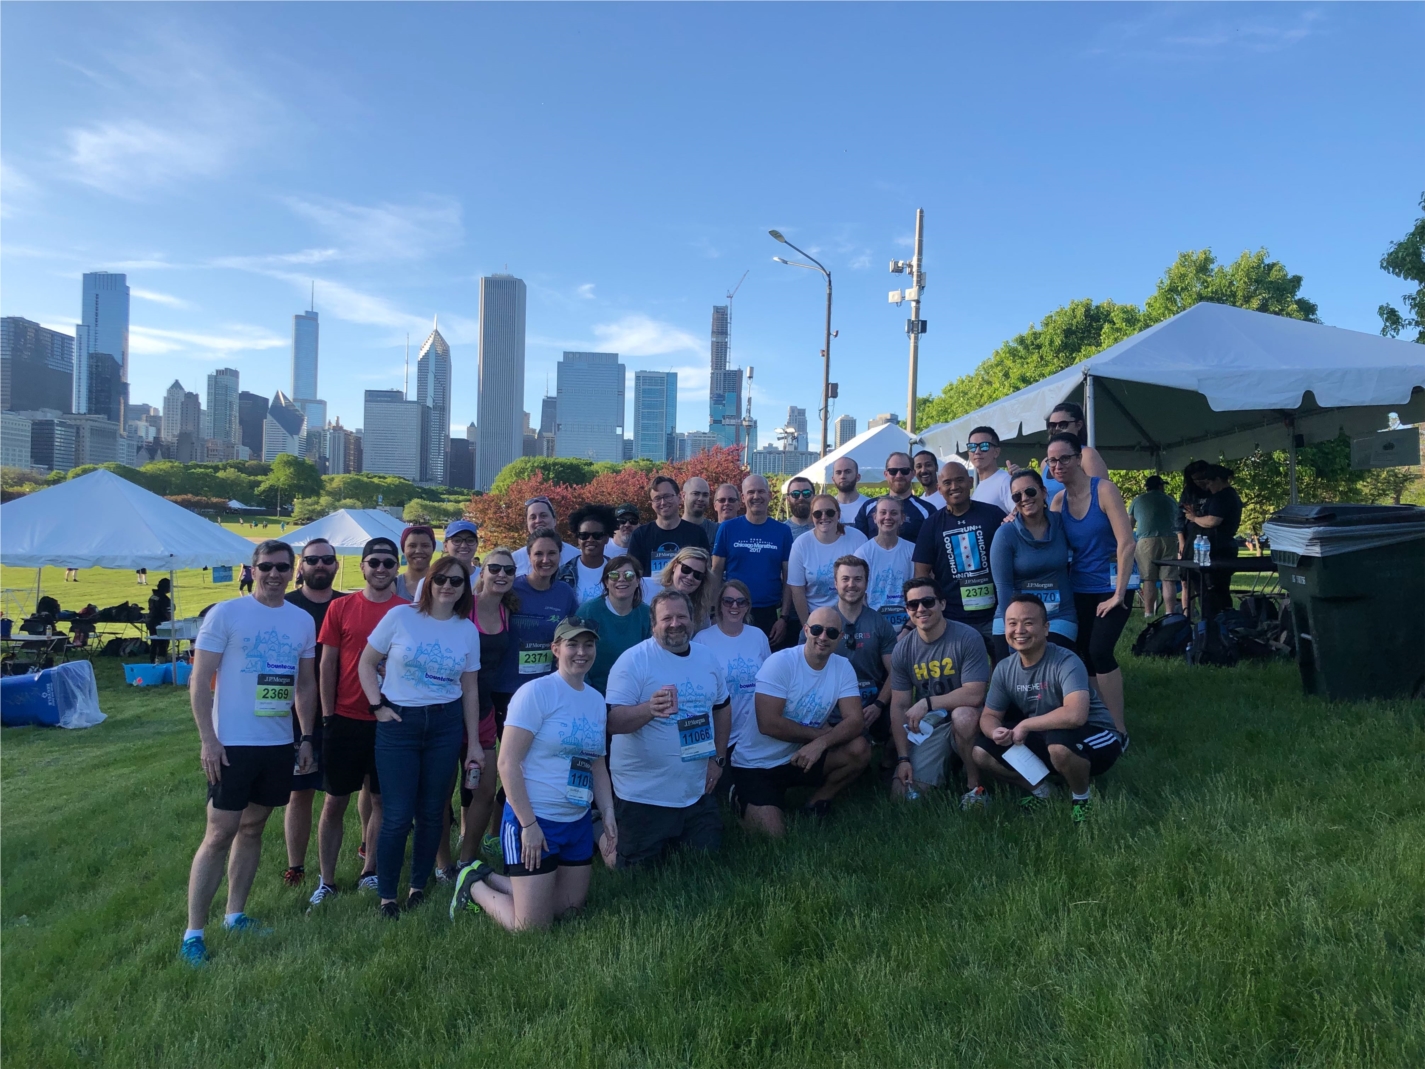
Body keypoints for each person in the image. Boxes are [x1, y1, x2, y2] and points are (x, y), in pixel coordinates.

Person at [180, 540, 318, 965]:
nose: (274, 574)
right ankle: (194, 933)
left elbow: (305, 685)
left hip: (277, 744)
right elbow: (200, 680)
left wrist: (306, 737)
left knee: (254, 829)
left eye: (281, 567)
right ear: (252, 569)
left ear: (292, 571)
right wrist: (208, 739)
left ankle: (235, 914)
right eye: (265, 567)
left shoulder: (302, 621)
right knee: (219, 833)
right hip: (232, 744)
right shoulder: (226, 613)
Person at [451, 617, 614, 930]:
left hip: (576, 820)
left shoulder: (595, 700)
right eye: (572, 644)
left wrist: (607, 812)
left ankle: (493, 877)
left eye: (588, 644)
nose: (581, 652)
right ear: (555, 649)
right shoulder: (536, 693)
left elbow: (596, 764)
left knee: (567, 910)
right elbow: (507, 763)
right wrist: (529, 824)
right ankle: (472, 884)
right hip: (536, 818)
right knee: (531, 928)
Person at [359, 556, 482, 918]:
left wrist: (473, 741)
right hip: (400, 724)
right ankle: (387, 894)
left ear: (464, 588)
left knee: (432, 812)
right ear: (429, 581)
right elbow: (366, 662)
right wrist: (376, 706)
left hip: (445, 725)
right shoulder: (402, 617)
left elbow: (470, 689)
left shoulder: (466, 630)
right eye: (440, 578)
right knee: (397, 814)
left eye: (456, 581)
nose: (447, 586)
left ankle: (417, 886)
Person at [308, 538, 407, 907]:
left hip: (392, 718)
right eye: (374, 562)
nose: (381, 569)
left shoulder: (407, 610)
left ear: (396, 568)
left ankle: (371, 871)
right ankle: (327, 880)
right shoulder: (341, 607)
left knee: (381, 800)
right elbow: (327, 664)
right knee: (335, 802)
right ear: (362, 567)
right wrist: (328, 714)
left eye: (387, 563)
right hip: (346, 717)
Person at [603, 590, 731, 866]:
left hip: (694, 790)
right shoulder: (634, 661)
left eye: (681, 616)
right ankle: (600, 832)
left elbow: (722, 707)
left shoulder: (707, 658)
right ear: (653, 624)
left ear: (693, 619)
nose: (676, 624)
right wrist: (649, 709)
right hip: (644, 794)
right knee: (638, 875)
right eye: (667, 618)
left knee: (704, 864)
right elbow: (613, 722)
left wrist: (718, 759)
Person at [972, 594, 1123, 822]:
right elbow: (990, 715)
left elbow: (1076, 715)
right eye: (1012, 623)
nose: (1019, 630)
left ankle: (1081, 799)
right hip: (1047, 735)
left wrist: (1025, 724)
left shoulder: (1067, 661)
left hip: (1098, 735)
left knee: (1059, 744)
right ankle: (1042, 792)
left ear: (1046, 628)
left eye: (1028, 623)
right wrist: (995, 731)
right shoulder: (1004, 668)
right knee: (981, 751)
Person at [732, 606, 871, 835]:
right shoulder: (781, 663)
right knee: (774, 836)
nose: (823, 637)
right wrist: (818, 737)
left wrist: (821, 744)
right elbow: (768, 723)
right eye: (817, 629)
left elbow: (856, 720)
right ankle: (738, 797)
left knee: (860, 749)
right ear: (806, 630)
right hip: (756, 763)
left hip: (801, 756)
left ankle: (817, 802)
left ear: (841, 638)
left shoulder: (842, 667)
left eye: (832, 633)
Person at [1047, 432, 1135, 736]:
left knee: (1100, 651)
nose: (1058, 466)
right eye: (1052, 461)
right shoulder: (1058, 500)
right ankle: (1098, 720)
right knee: (1083, 653)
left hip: (1113, 587)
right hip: (1079, 589)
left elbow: (1126, 543)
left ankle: (1118, 729)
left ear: (1078, 459)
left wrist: (1119, 594)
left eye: (1064, 458)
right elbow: (1043, 537)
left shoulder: (1105, 490)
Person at [887, 577, 991, 805]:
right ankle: (951, 764)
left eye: (928, 602)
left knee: (963, 715)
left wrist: (928, 702)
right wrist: (903, 758)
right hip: (931, 726)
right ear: (907, 610)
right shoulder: (903, 650)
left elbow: (975, 694)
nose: (921, 609)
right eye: (913, 605)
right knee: (901, 798)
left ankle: (975, 788)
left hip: (972, 719)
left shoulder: (967, 637)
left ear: (942, 604)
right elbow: (899, 705)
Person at [281, 539, 346, 888]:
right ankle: (296, 865)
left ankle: (364, 852)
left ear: (337, 565)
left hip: (343, 713)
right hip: (295, 714)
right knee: (299, 791)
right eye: (312, 560)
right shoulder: (287, 606)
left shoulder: (347, 604)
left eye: (327, 560)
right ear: (301, 567)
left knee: (343, 793)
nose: (320, 565)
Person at [455, 545, 517, 872]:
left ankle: (467, 857)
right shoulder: (466, 609)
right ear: (482, 572)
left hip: (484, 711)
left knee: (484, 787)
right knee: (440, 789)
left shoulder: (508, 610)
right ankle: (440, 864)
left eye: (508, 570)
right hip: (450, 710)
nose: (502, 575)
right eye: (495, 568)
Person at [913, 460, 1006, 651]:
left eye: (960, 480)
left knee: (1002, 668)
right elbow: (921, 574)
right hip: (953, 616)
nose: (954, 487)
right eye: (947, 483)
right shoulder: (931, 525)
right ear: (939, 489)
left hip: (995, 613)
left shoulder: (993, 515)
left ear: (971, 482)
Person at [989, 469, 1078, 661]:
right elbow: (1003, 587)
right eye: (1016, 495)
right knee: (1009, 676)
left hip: (1058, 614)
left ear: (1044, 492)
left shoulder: (1062, 523)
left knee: (1050, 665)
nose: (1024, 498)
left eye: (1030, 491)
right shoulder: (1005, 534)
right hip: (1013, 616)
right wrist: (1012, 627)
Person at [693, 579, 770, 771]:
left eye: (740, 601)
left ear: (747, 606)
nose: (734, 606)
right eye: (728, 601)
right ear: (719, 605)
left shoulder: (758, 636)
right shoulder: (703, 639)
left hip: (754, 728)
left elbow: (768, 680)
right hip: (718, 729)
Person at [711, 474, 795, 647]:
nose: (756, 497)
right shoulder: (728, 529)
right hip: (733, 610)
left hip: (770, 613)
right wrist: (714, 611)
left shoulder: (783, 531)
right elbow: (716, 572)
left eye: (761, 492)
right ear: (743, 498)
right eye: (751, 492)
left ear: (770, 495)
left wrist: (784, 618)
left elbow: (789, 578)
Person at [822, 557, 896, 745]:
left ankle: (888, 764)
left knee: (901, 712)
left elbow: (896, 672)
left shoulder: (880, 623)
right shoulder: (820, 622)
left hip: (871, 703)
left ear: (866, 583)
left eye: (857, 579)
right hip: (829, 706)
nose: (851, 585)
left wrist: (879, 705)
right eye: (845, 579)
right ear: (835, 583)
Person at [506, 529, 581, 691]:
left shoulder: (565, 593)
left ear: (560, 556)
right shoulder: (511, 589)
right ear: (529, 556)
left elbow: (574, 636)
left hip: (550, 685)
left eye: (552, 553)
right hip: (509, 686)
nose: (545, 560)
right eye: (538, 554)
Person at [577, 555, 652, 695]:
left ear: (637, 581)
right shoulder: (588, 612)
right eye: (614, 575)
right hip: (593, 693)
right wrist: (588, 693)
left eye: (629, 575)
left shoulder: (647, 614)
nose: (622, 579)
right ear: (606, 581)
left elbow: (653, 659)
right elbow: (576, 655)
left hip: (636, 695)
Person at [787, 493, 867, 622]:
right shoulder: (801, 544)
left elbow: (865, 582)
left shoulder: (858, 539)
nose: (824, 517)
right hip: (816, 618)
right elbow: (797, 591)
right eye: (818, 514)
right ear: (812, 517)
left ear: (838, 514)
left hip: (853, 616)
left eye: (830, 512)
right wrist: (807, 626)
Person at [1182, 464, 1243, 618]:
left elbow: (1212, 521)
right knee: (1209, 591)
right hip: (1214, 548)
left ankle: (1217, 621)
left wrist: (1194, 518)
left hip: (1218, 550)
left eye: (1209, 483)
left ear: (1218, 480)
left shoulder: (1224, 496)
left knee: (1213, 590)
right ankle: (1215, 621)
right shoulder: (1224, 496)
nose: (1207, 487)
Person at [627, 476, 710, 580]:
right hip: (651, 595)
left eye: (667, 496)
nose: (663, 502)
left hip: (688, 595)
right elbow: (633, 574)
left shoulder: (697, 534)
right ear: (652, 504)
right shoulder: (640, 535)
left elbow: (705, 572)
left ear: (679, 498)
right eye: (657, 498)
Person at [854, 496, 915, 632]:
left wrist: (907, 629)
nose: (888, 517)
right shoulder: (863, 553)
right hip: (872, 627)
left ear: (902, 518)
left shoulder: (912, 551)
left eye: (894, 513)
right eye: (883, 512)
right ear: (875, 518)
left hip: (908, 627)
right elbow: (859, 595)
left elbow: (919, 593)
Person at [853, 452, 936, 541]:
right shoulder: (868, 507)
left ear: (913, 474)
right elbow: (857, 542)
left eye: (904, 471)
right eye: (893, 471)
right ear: (886, 474)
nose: (899, 475)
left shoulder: (927, 510)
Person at [1129, 474, 1179, 617]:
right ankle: (1169, 612)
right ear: (1160, 486)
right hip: (1169, 539)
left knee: (1148, 578)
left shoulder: (1138, 500)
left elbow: (1129, 524)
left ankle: (1149, 613)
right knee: (1168, 579)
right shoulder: (1170, 500)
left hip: (1146, 541)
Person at [557, 504, 617, 604]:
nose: (590, 540)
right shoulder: (562, 574)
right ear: (578, 539)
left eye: (597, 535)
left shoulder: (617, 570)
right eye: (584, 535)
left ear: (606, 538)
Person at [650, 546, 717, 630]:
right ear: (674, 566)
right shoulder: (649, 587)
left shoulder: (702, 610)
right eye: (686, 569)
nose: (690, 577)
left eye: (697, 575)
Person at [513, 497, 581, 575]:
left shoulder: (575, 556)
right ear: (527, 524)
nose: (538, 521)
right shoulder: (515, 559)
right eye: (533, 517)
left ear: (554, 521)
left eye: (543, 515)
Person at [1045, 403, 1110, 481]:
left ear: (1078, 425)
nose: (1057, 429)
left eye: (1063, 425)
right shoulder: (1045, 463)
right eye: (1052, 425)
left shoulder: (1087, 454)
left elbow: (1099, 490)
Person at [966, 426, 1016, 514]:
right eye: (972, 447)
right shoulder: (978, 488)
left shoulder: (1006, 481)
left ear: (996, 452)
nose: (977, 451)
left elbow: (1021, 515)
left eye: (984, 446)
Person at [394, 525, 435, 600]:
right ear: (404, 550)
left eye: (425, 546)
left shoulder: (443, 583)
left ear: (433, 549)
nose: (418, 551)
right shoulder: (393, 586)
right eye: (412, 546)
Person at [681, 476, 719, 543]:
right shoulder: (671, 530)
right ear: (683, 496)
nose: (701, 498)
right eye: (696, 494)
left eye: (705, 495)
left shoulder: (717, 531)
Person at [831, 457, 868, 522]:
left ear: (858, 477)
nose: (842, 476)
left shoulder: (869, 506)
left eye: (848, 472)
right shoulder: (827, 508)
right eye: (838, 472)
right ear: (833, 479)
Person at [147, 576, 173, 663]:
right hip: (161, 624)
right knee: (163, 644)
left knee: (154, 643)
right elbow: (168, 613)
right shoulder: (165, 599)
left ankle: (152, 660)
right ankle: (161, 660)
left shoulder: (153, 596)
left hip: (151, 622)